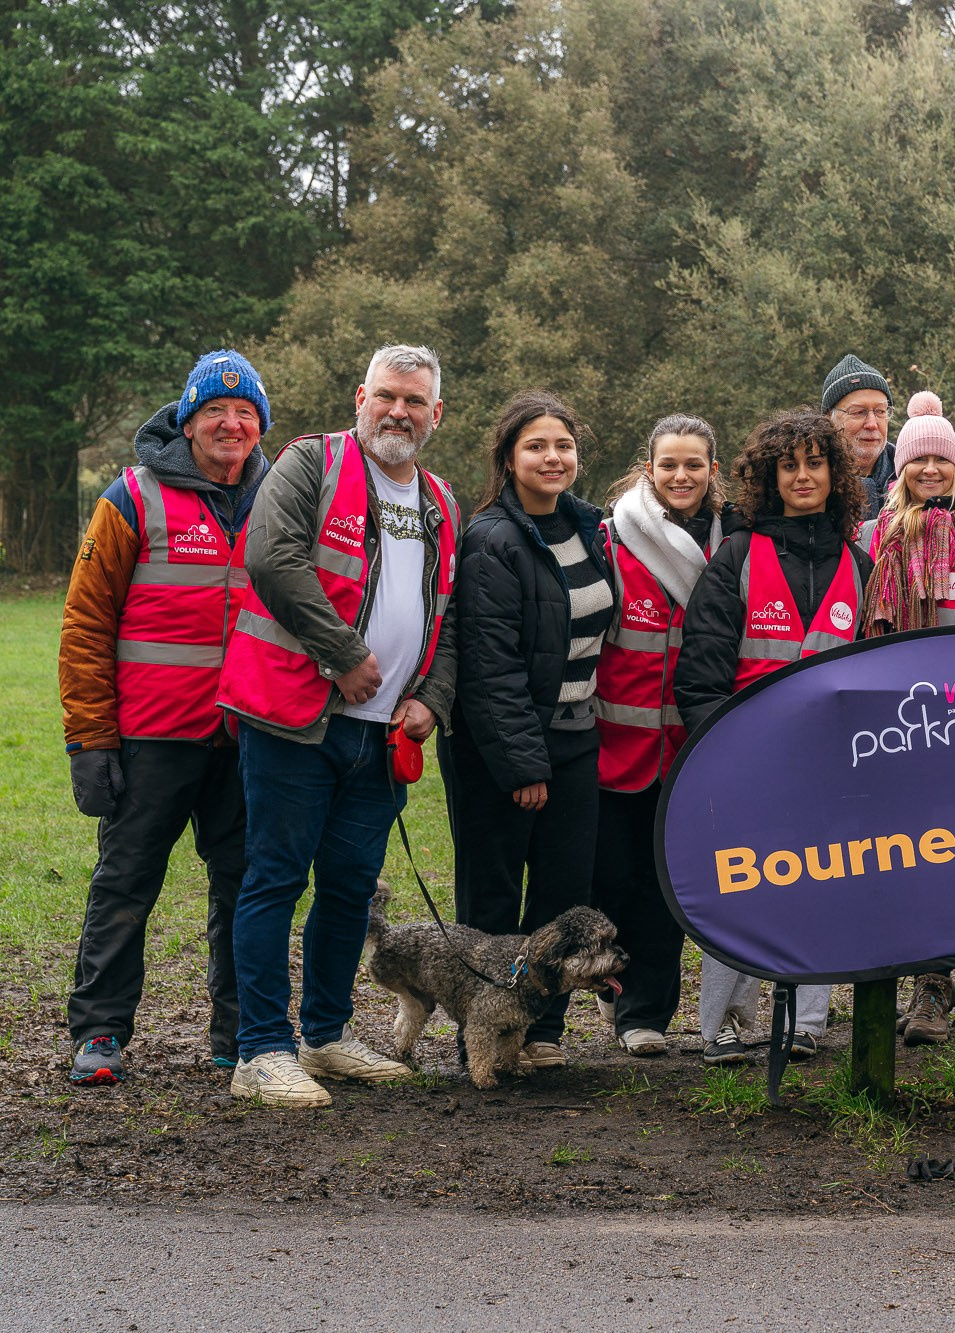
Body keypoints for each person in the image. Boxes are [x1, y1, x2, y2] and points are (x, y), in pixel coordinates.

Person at [218, 344, 459, 1108]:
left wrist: (433, 697)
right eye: (387, 395)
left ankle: (324, 1036)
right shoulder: (309, 462)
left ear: (436, 414)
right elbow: (271, 557)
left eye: (415, 401)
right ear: (362, 396)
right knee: (275, 881)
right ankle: (260, 1050)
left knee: (352, 891)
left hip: (383, 734)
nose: (399, 411)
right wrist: (347, 654)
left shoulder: (442, 500)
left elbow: (448, 615)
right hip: (296, 717)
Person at [59, 350, 272, 1085]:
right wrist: (89, 738)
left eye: (245, 411)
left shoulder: (282, 499)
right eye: (215, 410)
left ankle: (240, 1033)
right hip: (151, 738)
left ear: (259, 425)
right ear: (187, 421)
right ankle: (98, 1035)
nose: (230, 422)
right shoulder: (132, 497)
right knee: (126, 882)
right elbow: (86, 622)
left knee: (244, 885)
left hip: (248, 734)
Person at [675, 408, 876, 1064]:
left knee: (823, 883)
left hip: (834, 766)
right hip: (748, 766)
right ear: (769, 476)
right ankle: (724, 1027)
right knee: (740, 886)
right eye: (788, 464)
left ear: (834, 472)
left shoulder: (860, 563)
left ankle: (808, 1021)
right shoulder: (735, 557)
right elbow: (700, 677)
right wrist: (730, 757)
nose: (802, 475)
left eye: (815, 462)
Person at [441, 390, 614, 1072]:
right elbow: (490, 665)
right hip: (499, 749)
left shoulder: (588, 527)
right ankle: (481, 1038)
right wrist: (523, 767)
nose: (552, 456)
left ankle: (540, 1032)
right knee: (492, 900)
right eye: (536, 445)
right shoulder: (492, 539)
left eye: (563, 445)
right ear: (509, 459)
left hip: (575, 736)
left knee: (563, 895)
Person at [856, 391, 955, 1046]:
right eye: (917, 459)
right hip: (888, 730)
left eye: (941, 460)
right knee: (891, 860)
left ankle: (934, 986)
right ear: (899, 470)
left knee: (948, 861)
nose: (930, 471)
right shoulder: (870, 539)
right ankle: (888, 980)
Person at [593, 414, 734, 1056]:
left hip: (689, 750)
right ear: (648, 469)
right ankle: (605, 980)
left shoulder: (731, 544)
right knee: (609, 879)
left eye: (694, 465)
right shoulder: (611, 540)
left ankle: (644, 1014)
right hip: (610, 749)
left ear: (712, 471)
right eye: (669, 464)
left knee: (662, 888)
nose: (682, 476)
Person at [822, 354, 899, 515]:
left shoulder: (911, 474)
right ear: (828, 418)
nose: (872, 424)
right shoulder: (810, 479)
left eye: (880, 411)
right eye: (858, 412)